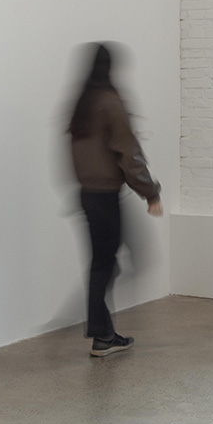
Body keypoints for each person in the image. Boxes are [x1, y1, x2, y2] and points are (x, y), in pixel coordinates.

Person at [68, 43, 163, 357]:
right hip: (105, 195)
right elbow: (128, 152)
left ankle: (103, 332)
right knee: (107, 264)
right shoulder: (109, 102)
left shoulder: (82, 103)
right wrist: (151, 193)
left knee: (104, 262)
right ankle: (102, 335)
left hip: (87, 194)